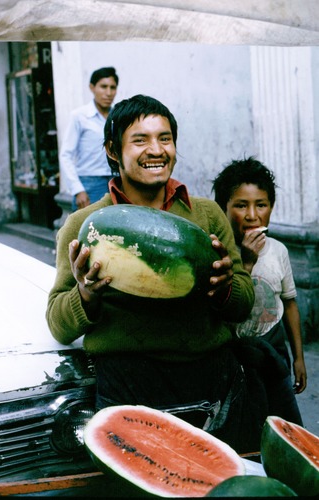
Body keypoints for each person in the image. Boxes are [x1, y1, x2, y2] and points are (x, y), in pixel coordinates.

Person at [46, 95, 261, 454]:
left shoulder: (207, 216)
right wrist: (85, 294)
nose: (156, 150)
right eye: (140, 140)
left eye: (165, 138)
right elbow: (58, 324)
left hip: (211, 378)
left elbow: (243, 303)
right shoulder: (84, 226)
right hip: (126, 385)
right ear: (113, 151)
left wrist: (225, 288)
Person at [212, 156, 307, 425]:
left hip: (273, 348)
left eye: (261, 205)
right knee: (245, 429)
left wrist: (299, 359)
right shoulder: (218, 253)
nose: (253, 215)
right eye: (241, 205)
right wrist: (247, 260)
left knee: (286, 427)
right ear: (224, 209)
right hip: (236, 356)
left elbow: (289, 304)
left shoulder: (279, 251)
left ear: (271, 208)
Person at [59, 67, 119, 211]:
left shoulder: (118, 117)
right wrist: (78, 190)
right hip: (90, 184)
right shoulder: (80, 116)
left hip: (117, 181)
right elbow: (66, 155)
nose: (108, 93)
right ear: (92, 88)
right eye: (103, 87)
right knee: (87, 231)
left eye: (113, 87)